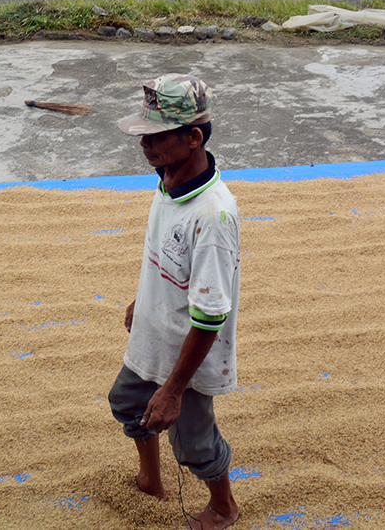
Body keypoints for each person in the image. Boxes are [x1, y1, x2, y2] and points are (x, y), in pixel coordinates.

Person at [108, 74, 242, 530]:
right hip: (154, 331)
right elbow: (164, 256)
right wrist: (141, 299)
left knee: (195, 442)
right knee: (127, 404)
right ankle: (150, 477)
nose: (145, 146)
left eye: (156, 137)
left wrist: (173, 389)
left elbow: (209, 318)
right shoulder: (168, 179)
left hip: (187, 355)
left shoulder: (213, 216)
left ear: (193, 138)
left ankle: (224, 507)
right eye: (143, 136)